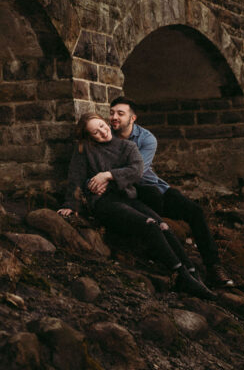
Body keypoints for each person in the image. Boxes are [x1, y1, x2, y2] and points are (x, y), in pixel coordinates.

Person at [57, 112, 216, 300]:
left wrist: (108, 175)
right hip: (104, 202)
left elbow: (137, 170)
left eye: (101, 125)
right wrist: (71, 203)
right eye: (95, 132)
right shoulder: (85, 150)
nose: (102, 132)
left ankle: (192, 272)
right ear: (89, 136)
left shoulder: (127, 146)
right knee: (148, 224)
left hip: (128, 198)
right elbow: (76, 177)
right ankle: (180, 275)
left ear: (105, 122)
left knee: (163, 225)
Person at [109, 96, 235, 288]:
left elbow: (138, 171)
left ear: (133, 118)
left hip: (152, 187)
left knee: (195, 212)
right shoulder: (106, 135)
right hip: (127, 193)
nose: (114, 117)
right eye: (112, 113)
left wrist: (108, 175)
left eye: (120, 113)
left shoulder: (146, 138)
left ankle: (214, 267)